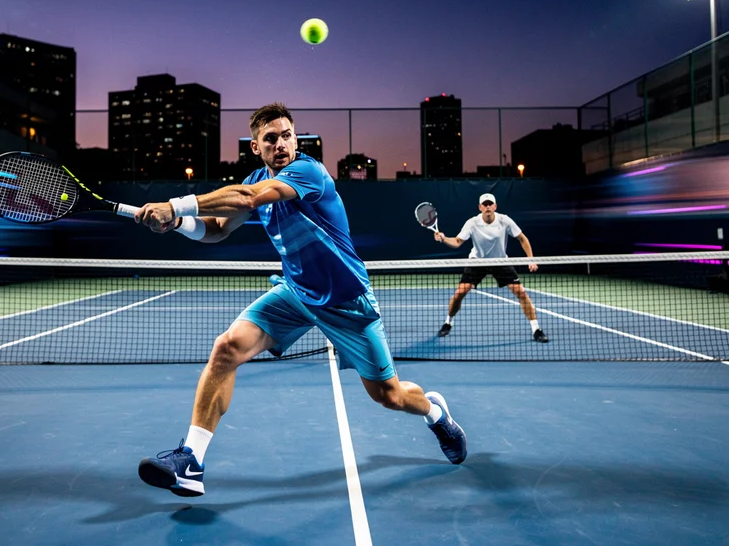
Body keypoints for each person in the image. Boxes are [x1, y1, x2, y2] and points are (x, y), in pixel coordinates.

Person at [133, 102, 467, 497]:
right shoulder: (256, 177)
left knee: (389, 396)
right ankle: (192, 460)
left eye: (287, 135)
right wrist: (180, 223)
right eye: (270, 138)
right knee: (226, 348)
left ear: (296, 139)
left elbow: (249, 198)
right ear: (256, 147)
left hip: (347, 302)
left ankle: (436, 413)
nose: (281, 144)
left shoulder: (308, 173)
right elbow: (220, 229)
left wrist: (175, 204)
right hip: (296, 292)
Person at [433, 193, 548, 343]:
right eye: (484, 204)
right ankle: (448, 323)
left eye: (490, 204)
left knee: (520, 292)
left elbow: (522, 238)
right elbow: (457, 241)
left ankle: (536, 329)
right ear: (480, 207)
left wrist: (530, 260)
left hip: (500, 261)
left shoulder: (504, 220)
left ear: (495, 206)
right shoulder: (472, 223)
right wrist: (443, 238)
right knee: (459, 293)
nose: (487, 207)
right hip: (477, 262)